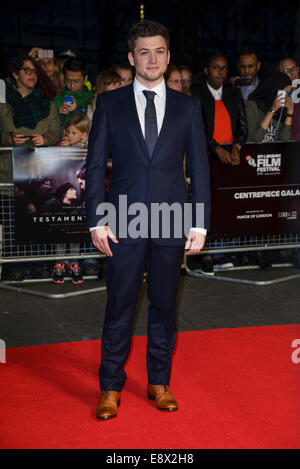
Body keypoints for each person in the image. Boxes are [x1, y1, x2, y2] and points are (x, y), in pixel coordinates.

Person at [86, 19, 210, 420]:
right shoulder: (109, 104)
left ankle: (159, 381)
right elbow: (94, 165)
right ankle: (109, 386)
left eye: (159, 51)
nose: (152, 58)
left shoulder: (188, 107)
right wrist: (95, 220)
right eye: (144, 51)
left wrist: (199, 221)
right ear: (131, 57)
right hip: (122, 218)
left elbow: (201, 168)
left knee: (163, 305)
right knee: (119, 303)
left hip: (173, 218)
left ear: (168, 57)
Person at [191, 51, 248, 275]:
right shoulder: (196, 93)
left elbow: (243, 126)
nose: (220, 72)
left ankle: (222, 254)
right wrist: (215, 147)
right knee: (206, 206)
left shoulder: (234, 93)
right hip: (206, 156)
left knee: (225, 205)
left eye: (224, 68)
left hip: (229, 158)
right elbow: (197, 127)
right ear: (206, 70)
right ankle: (205, 255)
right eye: (216, 68)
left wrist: (237, 147)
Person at [1, 54, 61, 146]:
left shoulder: (45, 100)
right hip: (9, 157)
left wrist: (45, 139)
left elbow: (56, 130)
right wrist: (9, 139)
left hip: (38, 157)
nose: (32, 75)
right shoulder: (3, 98)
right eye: (27, 70)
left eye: (34, 71)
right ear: (15, 74)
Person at [245, 71, 293, 142]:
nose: (286, 97)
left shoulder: (282, 109)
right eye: (284, 92)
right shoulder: (252, 105)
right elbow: (255, 139)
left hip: (275, 152)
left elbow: (285, 139)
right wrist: (272, 110)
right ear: (273, 89)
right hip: (255, 151)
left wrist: (290, 112)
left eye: (288, 93)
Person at [54, 57, 93, 129]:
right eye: (68, 81)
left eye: (76, 81)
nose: (72, 85)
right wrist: (59, 115)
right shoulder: (57, 98)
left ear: (85, 78)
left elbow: (91, 125)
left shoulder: (92, 99)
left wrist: (76, 110)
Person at [278, 57, 300, 141]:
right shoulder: (278, 96)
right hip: (285, 145)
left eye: (294, 68)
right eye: (286, 71)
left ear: (298, 69)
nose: (292, 72)